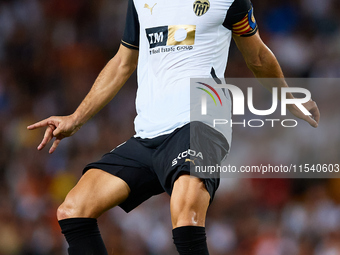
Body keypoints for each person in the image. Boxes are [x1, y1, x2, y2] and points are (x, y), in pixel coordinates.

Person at [28, 0, 320, 254]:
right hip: (149, 134)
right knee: (73, 210)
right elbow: (122, 63)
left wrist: (287, 97)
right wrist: (76, 118)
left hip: (202, 122)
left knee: (185, 215)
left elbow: (256, 55)